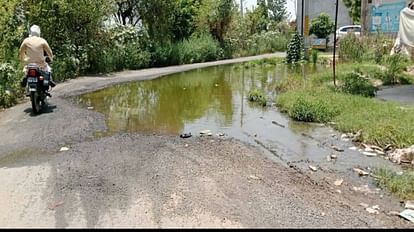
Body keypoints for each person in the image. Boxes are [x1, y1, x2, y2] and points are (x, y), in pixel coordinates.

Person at [19, 25, 56, 94]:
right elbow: (49, 52)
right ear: (39, 32)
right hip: (40, 64)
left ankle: (25, 78)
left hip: (29, 64)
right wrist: (51, 58)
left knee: (26, 71)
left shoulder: (26, 41)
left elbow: (21, 51)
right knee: (48, 70)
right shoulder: (42, 40)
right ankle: (50, 80)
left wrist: (23, 59)